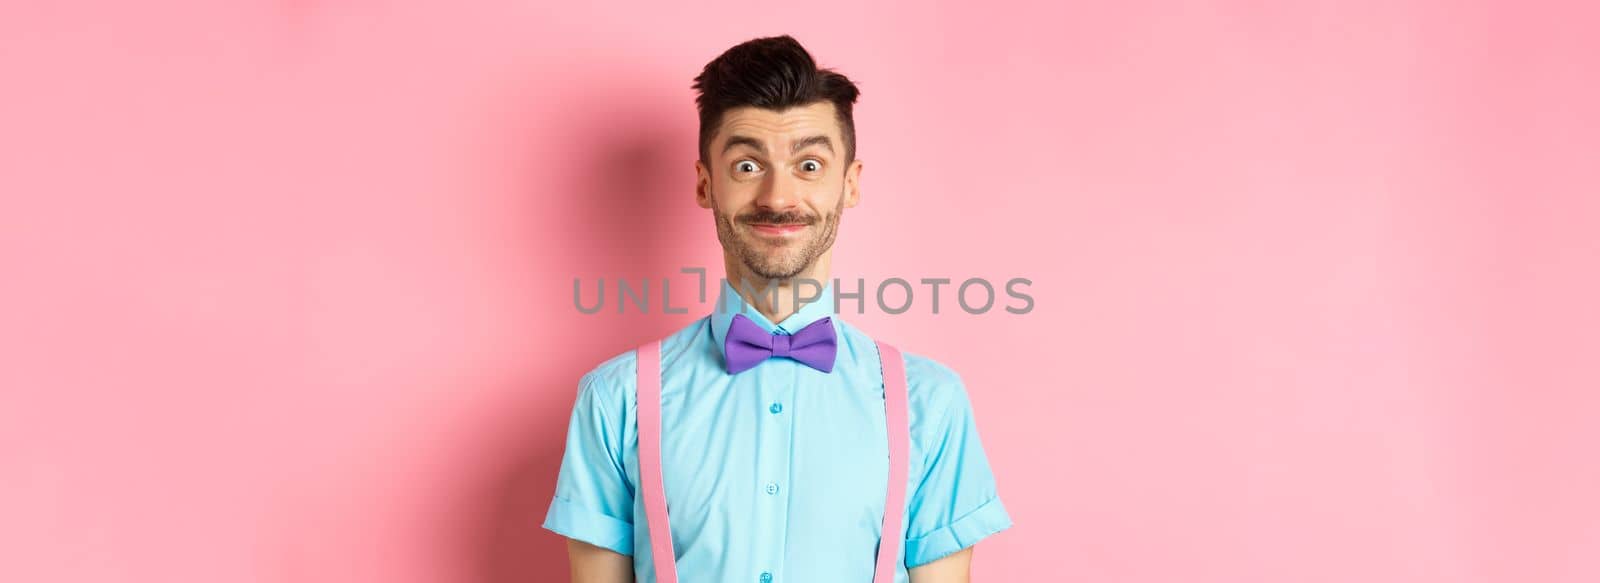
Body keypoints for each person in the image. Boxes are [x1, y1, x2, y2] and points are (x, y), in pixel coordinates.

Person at [543, 35, 1012, 582]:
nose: (777, 197)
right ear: (704, 183)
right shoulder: (615, 399)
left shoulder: (932, 403)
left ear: (850, 184)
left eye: (809, 165)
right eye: (746, 166)